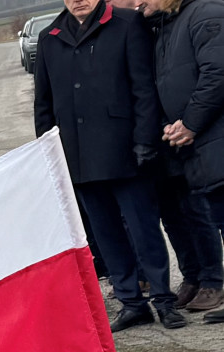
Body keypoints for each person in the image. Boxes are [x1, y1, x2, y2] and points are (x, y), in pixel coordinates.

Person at [35, 0, 182, 331]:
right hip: (78, 157)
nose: (79, 1)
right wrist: (49, 155)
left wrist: (145, 141)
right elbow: (43, 105)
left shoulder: (127, 24)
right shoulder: (50, 37)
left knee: (144, 229)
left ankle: (163, 299)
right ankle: (131, 302)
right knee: (105, 234)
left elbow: (143, 89)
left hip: (126, 151)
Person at [140, 0, 224, 319]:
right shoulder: (167, 24)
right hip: (195, 142)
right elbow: (165, 85)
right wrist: (170, 124)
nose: (137, 3)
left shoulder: (207, 13)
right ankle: (198, 278)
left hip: (211, 137)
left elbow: (217, 74)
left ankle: (214, 282)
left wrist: (190, 122)